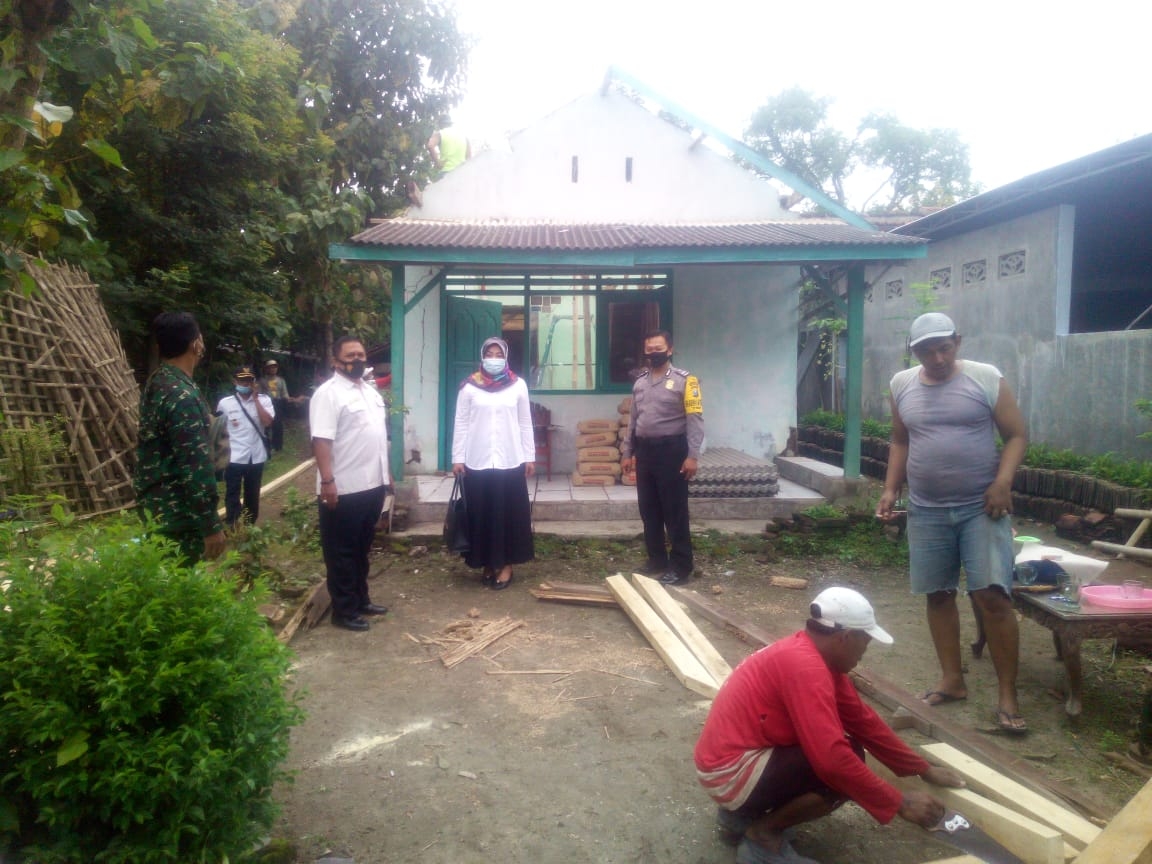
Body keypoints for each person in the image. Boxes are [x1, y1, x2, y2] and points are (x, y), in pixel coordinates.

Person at [694, 587, 966, 864]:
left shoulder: (812, 656)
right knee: (844, 767)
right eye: (866, 642)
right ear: (846, 637)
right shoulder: (805, 667)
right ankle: (762, 837)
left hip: (728, 762)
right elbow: (832, 761)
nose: (865, 652)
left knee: (845, 751)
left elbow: (863, 721)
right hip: (729, 773)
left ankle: (738, 817)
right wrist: (899, 802)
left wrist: (922, 769)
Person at [875, 312, 1029, 734]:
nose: (937, 357)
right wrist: (891, 489)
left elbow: (1016, 434)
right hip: (927, 510)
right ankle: (952, 680)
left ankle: (1007, 694)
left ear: (957, 342)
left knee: (992, 597)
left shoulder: (984, 378)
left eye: (944, 347)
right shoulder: (901, 385)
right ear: (914, 352)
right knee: (938, 595)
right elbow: (900, 439)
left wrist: (1003, 482)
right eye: (927, 349)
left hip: (982, 508)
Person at [310, 336, 391, 632]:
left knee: (361, 548)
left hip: (372, 485)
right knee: (341, 552)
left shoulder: (369, 392)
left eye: (361, 354)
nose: (357, 359)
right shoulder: (328, 394)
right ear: (336, 361)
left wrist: (388, 475)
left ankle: (361, 600)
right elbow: (321, 439)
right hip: (342, 487)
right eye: (350, 355)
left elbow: (378, 438)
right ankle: (343, 611)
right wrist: (327, 480)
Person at [134, 312, 225, 563]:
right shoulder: (182, 396)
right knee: (179, 586)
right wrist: (210, 524)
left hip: (157, 507)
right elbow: (195, 465)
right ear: (195, 344)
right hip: (178, 515)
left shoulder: (159, 382)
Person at [451, 337, 535, 590]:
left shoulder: (518, 385)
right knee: (482, 514)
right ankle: (487, 563)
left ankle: (506, 564)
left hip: (510, 460)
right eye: (490, 352)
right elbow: (461, 423)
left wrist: (529, 455)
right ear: (482, 356)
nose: (494, 357)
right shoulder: (469, 387)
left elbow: (524, 422)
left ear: (506, 357)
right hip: (477, 461)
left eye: (499, 353)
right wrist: (458, 457)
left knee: (507, 514)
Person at [619, 330, 702, 586]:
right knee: (649, 510)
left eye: (659, 348)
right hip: (645, 453)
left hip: (672, 452)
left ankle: (681, 566)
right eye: (650, 349)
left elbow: (695, 420)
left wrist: (692, 456)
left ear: (669, 350)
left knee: (674, 511)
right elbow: (634, 420)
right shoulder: (640, 382)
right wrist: (627, 451)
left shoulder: (686, 381)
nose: (653, 353)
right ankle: (656, 560)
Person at [216, 366, 274, 528]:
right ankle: (232, 523)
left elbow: (268, 422)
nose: (246, 383)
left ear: (254, 382)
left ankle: (249, 525)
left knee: (252, 494)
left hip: (256, 456)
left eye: (249, 380)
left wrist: (256, 400)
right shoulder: (225, 404)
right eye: (242, 380)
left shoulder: (264, 400)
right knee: (232, 492)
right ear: (235, 382)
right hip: (234, 456)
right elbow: (219, 430)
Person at [260, 359, 297, 454]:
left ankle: (277, 446)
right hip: (266, 404)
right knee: (266, 425)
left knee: (278, 425)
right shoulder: (262, 380)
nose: (273, 369)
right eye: (271, 367)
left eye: (275, 367)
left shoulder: (281, 380)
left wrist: (291, 399)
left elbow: (285, 393)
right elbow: (259, 393)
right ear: (267, 369)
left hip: (278, 403)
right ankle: (265, 445)